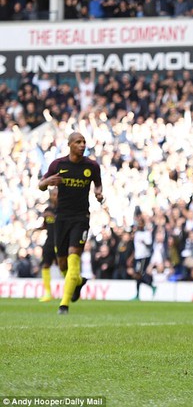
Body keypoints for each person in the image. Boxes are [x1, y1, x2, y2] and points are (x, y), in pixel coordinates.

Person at [38, 132, 103, 315]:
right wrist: (48, 182)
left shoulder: (92, 166)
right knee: (62, 264)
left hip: (81, 218)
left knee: (74, 256)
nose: (82, 145)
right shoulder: (58, 164)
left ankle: (63, 305)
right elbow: (40, 185)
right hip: (62, 218)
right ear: (70, 145)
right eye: (78, 142)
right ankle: (78, 282)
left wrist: (98, 193)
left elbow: (98, 184)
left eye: (84, 142)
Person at [39, 188, 60, 302]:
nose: (55, 196)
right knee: (45, 265)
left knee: (63, 266)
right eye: (53, 194)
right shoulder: (47, 209)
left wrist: (53, 216)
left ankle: (71, 290)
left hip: (60, 241)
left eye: (57, 194)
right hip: (49, 241)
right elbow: (45, 226)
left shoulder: (62, 209)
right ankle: (47, 293)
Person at [129, 215, 156, 300]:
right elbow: (136, 247)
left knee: (140, 274)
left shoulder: (146, 233)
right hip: (137, 256)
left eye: (141, 223)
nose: (139, 225)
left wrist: (144, 242)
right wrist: (131, 257)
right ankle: (138, 294)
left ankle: (150, 286)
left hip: (143, 256)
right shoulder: (136, 233)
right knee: (137, 275)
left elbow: (149, 244)